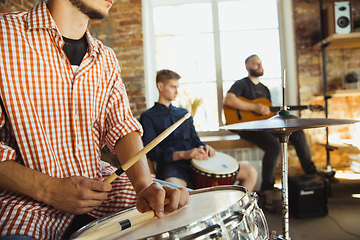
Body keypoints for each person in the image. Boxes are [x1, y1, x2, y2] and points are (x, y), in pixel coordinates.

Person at [0, 1, 189, 239]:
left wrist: (142, 184)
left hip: (101, 188)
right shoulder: (4, 36)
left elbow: (121, 126)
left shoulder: (106, 58)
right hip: (26, 207)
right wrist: (49, 189)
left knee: (182, 207)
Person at [223, 54, 323, 212]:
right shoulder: (241, 84)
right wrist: (253, 107)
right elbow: (228, 100)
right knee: (273, 146)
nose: (259, 65)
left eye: (260, 63)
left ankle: (312, 172)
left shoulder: (264, 89)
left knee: (298, 134)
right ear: (247, 67)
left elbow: (267, 114)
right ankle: (266, 190)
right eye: (255, 63)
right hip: (245, 127)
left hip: (263, 126)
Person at [139, 69, 258, 192]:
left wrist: (205, 146)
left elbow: (195, 139)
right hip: (173, 166)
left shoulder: (183, 113)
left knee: (250, 172)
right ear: (160, 86)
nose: (177, 91)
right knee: (175, 192)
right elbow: (152, 152)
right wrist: (185, 154)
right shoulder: (148, 116)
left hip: (198, 161)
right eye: (173, 87)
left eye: (177, 87)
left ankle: (235, 211)